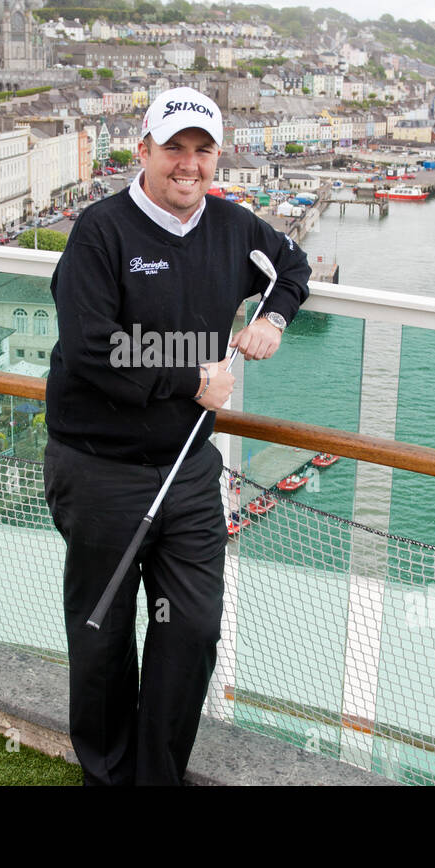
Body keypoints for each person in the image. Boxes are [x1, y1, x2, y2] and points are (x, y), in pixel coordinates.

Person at [43, 86, 310, 785]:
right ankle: (104, 772)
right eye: (174, 149)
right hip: (98, 468)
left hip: (190, 468)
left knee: (190, 629)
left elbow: (293, 268)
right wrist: (193, 379)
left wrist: (273, 320)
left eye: (202, 150)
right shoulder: (100, 232)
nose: (188, 165)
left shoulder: (233, 226)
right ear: (144, 152)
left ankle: (155, 776)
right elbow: (91, 347)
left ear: (216, 157)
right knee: (102, 637)